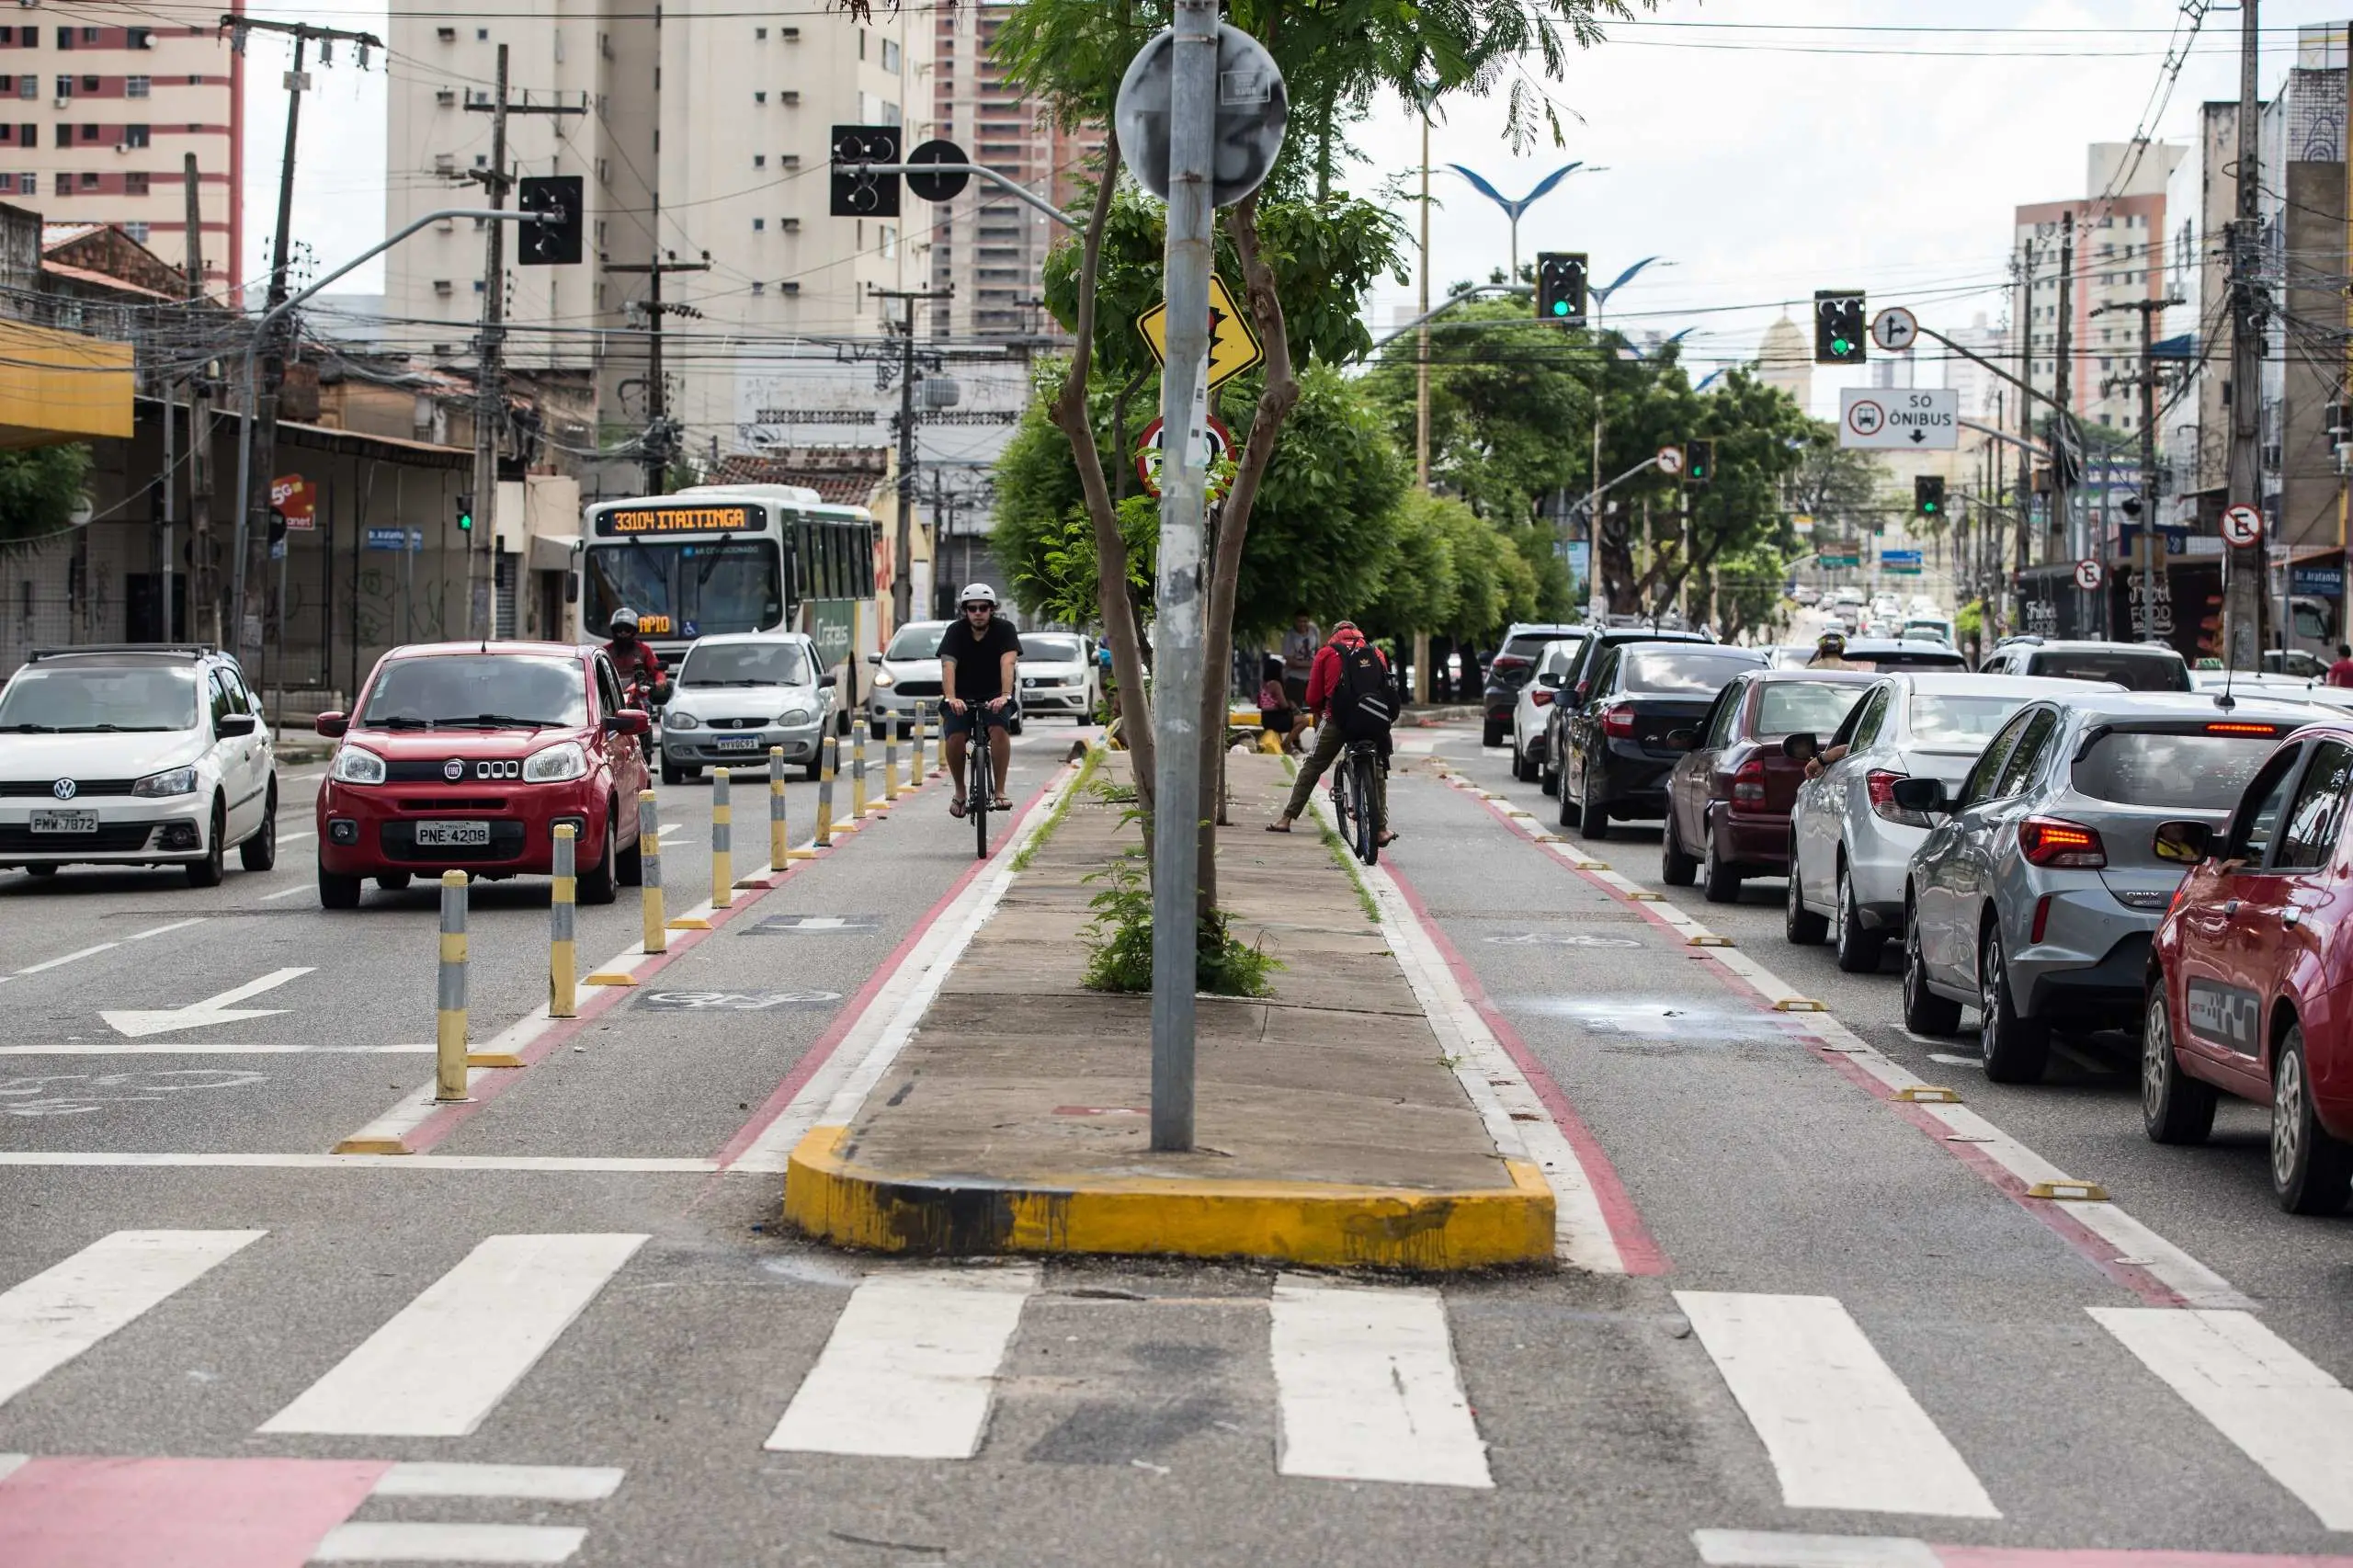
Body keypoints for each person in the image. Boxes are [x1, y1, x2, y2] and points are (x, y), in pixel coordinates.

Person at [1267, 621, 1395, 842]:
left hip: (1338, 719)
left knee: (1313, 765)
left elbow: (1314, 696)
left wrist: (1319, 712)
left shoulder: (1327, 653)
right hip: (1373, 720)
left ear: (1335, 634)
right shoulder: (1375, 652)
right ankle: (1382, 829)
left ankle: (1286, 819)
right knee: (1377, 767)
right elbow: (1386, 688)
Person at [938, 584, 1021, 815]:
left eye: (983, 608)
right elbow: (948, 665)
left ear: (991, 609)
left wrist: (1005, 696)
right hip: (961, 697)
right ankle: (960, 791)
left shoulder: (1005, 629)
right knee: (954, 736)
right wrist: (951, 697)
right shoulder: (955, 631)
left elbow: (1008, 662)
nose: (977, 613)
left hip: (995, 695)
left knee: (998, 729)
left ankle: (1000, 791)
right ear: (964, 610)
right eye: (971, 608)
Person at [603, 608, 666, 704]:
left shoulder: (644, 650)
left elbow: (657, 670)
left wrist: (660, 681)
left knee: (648, 708)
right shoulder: (604, 651)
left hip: (639, 697)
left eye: (627, 630)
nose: (623, 633)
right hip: (611, 698)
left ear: (634, 631)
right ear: (613, 631)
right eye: (619, 630)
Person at [1256, 655, 1302, 756]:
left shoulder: (1264, 684)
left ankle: (1289, 746)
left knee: (1292, 717)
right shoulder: (1276, 684)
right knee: (1304, 721)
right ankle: (1285, 744)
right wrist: (1292, 706)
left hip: (1265, 718)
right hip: (1275, 719)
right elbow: (1284, 705)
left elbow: (1260, 704)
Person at [1281, 611, 1321, 710]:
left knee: (1316, 707)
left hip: (1311, 676)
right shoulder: (1289, 636)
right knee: (1295, 708)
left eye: (1305, 621)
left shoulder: (1314, 630)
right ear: (1295, 621)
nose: (1302, 624)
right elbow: (1290, 660)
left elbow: (1318, 650)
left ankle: (1319, 726)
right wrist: (1312, 664)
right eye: (1299, 621)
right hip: (1295, 677)